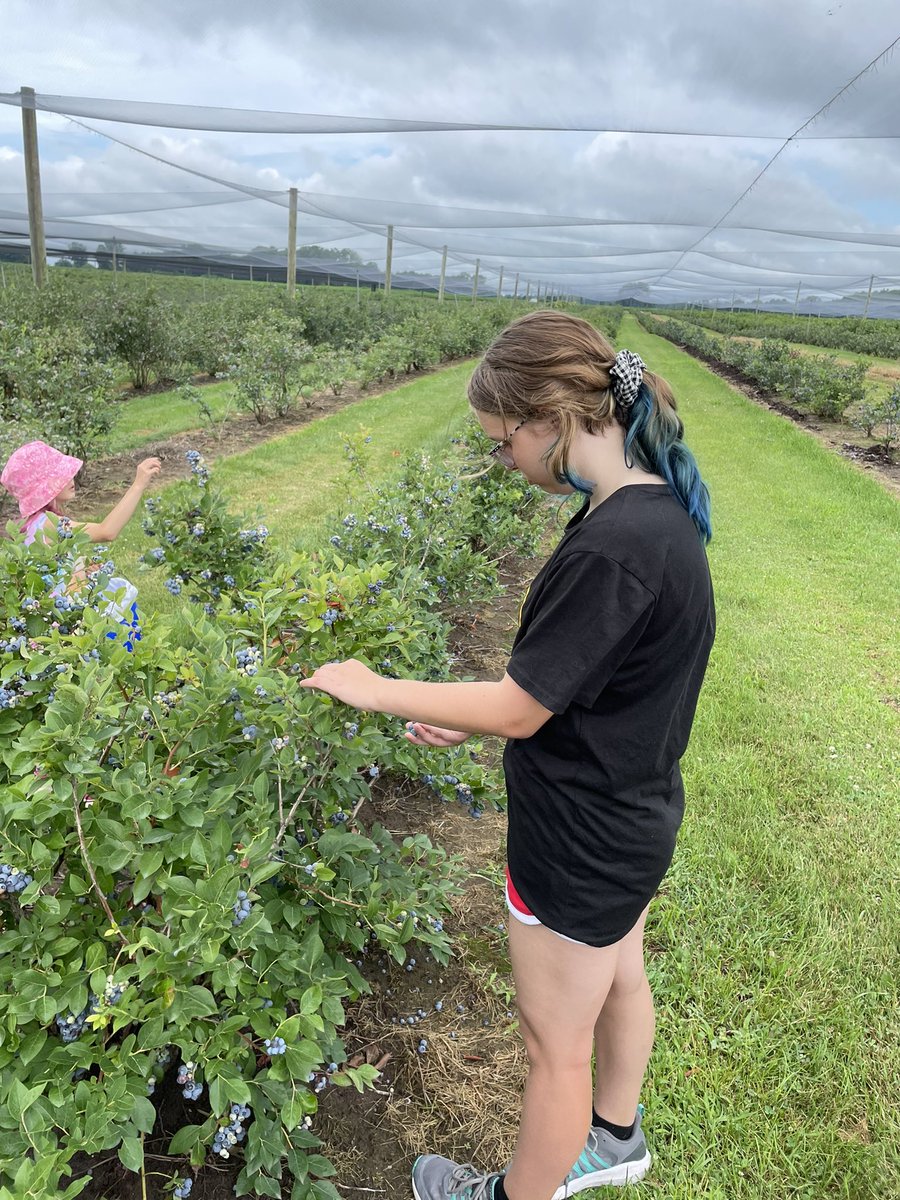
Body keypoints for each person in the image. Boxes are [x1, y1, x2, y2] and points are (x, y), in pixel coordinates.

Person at [300, 310, 715, 1200]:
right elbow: (567, 680)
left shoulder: (615, 547)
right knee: (620, 982)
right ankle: (616, 1140)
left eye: (500, 443)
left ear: (549, 418)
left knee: (552, 1053)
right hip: (631, 819)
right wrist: (482, 712)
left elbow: (525, 708)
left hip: (577, 842)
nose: (503, 462)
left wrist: (377, 686)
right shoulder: (645, 511)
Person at [1, 440, 162, 647]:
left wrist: (80, 565)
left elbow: (53, 572)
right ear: (42, 488)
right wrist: (139, 483)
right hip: (79, 623)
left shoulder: (35, 524)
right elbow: (107, 531)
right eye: (59, 476)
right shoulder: (48, 524)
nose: (71, 478)